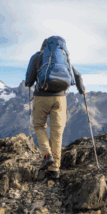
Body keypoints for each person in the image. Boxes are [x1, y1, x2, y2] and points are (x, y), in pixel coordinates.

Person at [24, 36, 85, 180]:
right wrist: (82, 90)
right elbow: (77, 75)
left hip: (41, 97)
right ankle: (54, 170)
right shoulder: (65, 58)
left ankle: (47, 155)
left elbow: (29, 81)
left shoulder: (37, 57)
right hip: (60, 98)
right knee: (57, 133)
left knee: (39, 126)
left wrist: (32, 81)